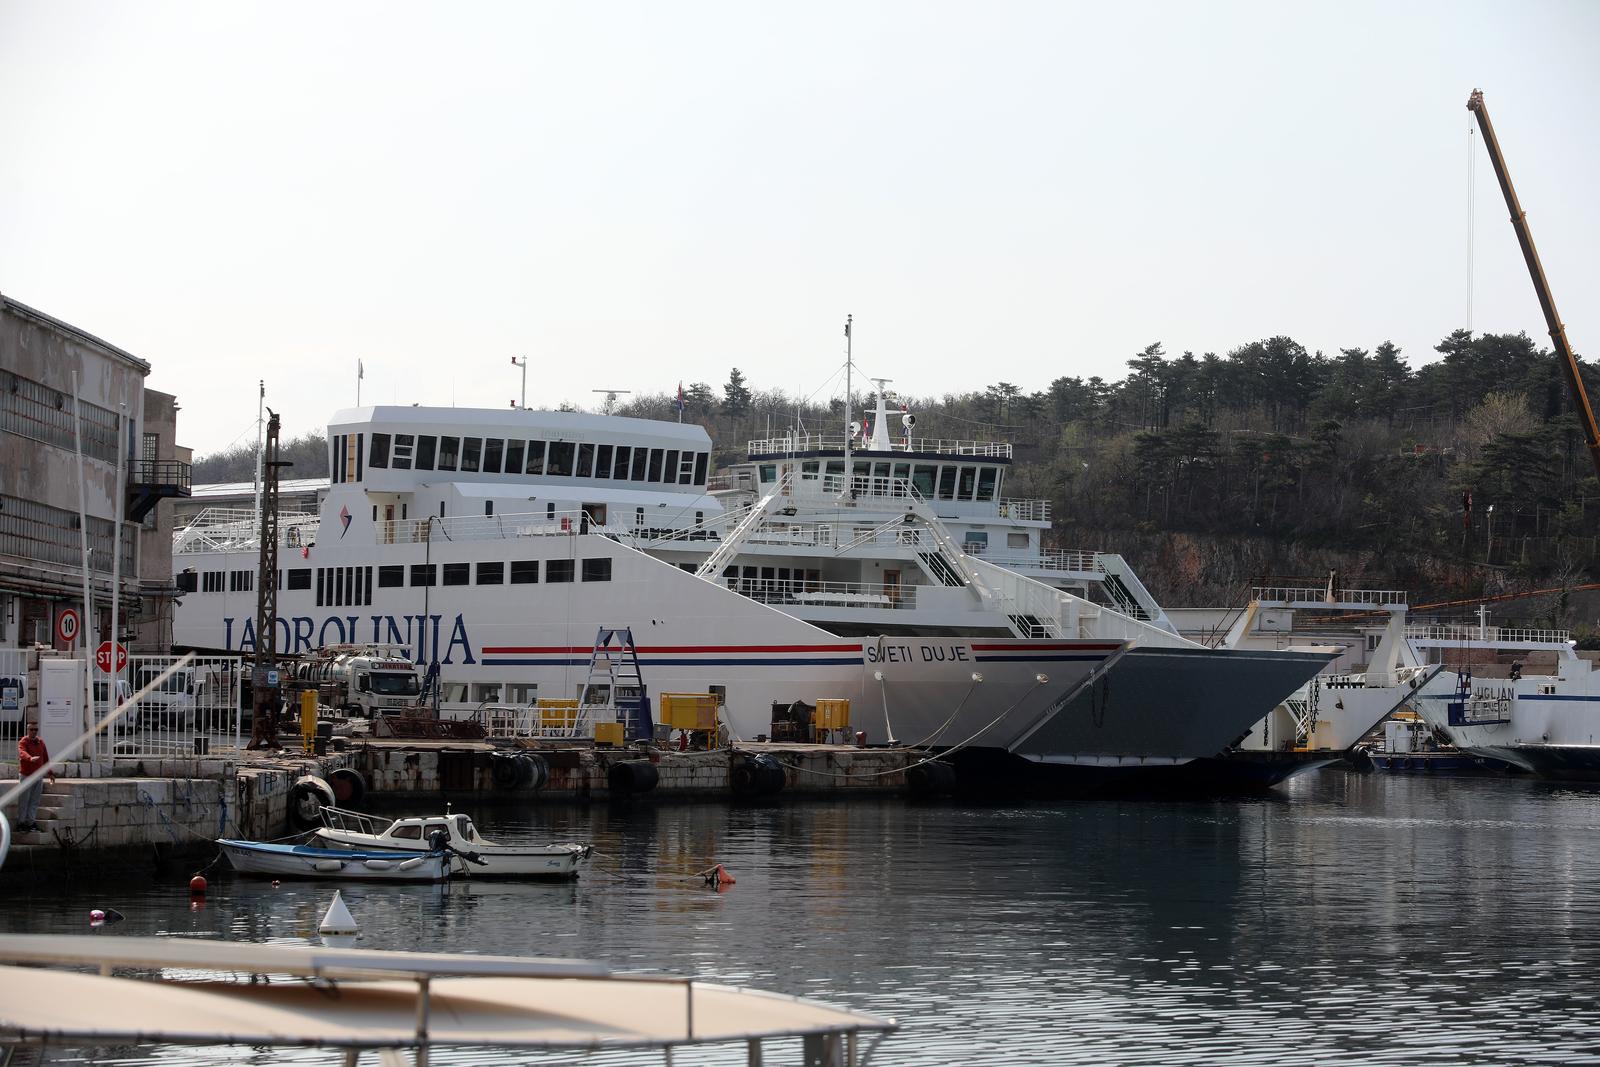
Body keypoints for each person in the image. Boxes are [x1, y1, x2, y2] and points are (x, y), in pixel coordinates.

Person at [16, 720, 54, 832]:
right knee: (24, 800)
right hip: (26, 776)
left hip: (38, 776)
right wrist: (30, 758)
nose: (34, 731)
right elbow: (22, 752)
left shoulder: (40, 742)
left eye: (35, 729)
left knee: (34, 801)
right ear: (27, 730)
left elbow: (46, 759)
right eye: (31, 729)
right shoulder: (24, 741)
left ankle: (30, 823)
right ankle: (21, 823)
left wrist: (50, 773)